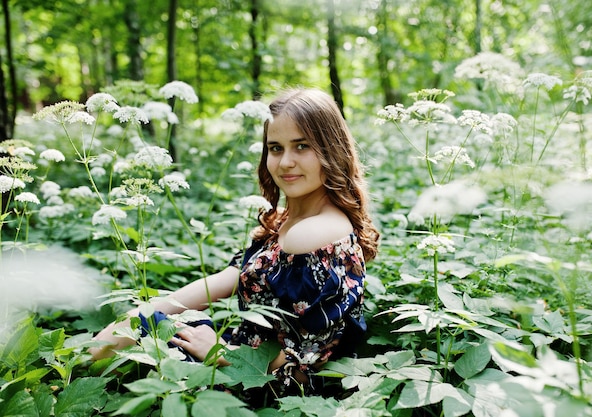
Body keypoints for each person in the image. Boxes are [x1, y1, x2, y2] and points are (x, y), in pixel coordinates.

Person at [90, 87, 380, 398]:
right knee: (148, 318)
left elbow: (302, 368)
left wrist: (219, 351)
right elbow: (224, 281)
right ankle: (79, 371)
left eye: (302, 146)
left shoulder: (312, 235)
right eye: (276, 148)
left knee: (147, 326)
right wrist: (149, 310)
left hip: (270, 387)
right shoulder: (287, 221)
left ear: (331, 150)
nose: (285, 163)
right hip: (240, 355)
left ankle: (80, 375)